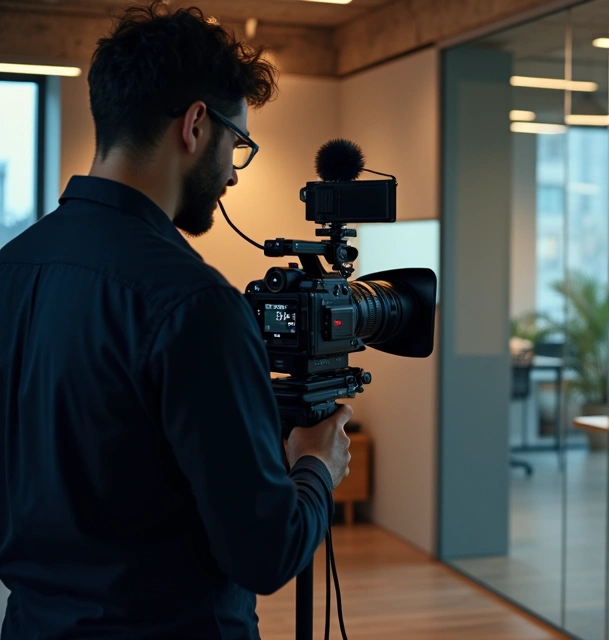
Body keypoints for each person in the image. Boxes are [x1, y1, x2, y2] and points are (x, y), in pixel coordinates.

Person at [0, 4, 352, 638]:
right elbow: (264, 553)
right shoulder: (194, 302)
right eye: (236, 144)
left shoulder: (10, 269)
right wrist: (315, 468)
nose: (231, 175)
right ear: (195, 125)